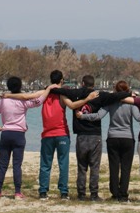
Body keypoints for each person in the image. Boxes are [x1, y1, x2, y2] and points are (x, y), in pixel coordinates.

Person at [76, 80, 140, 202]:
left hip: (112, 137)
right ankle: (123, 194)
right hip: (128, 138)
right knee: (126, 168)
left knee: (114, 167)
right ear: (127, 90)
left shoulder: (110, 103)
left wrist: (82, 115)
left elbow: (97, 116)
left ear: (115, 91)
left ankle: (115, 193)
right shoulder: (131, 105)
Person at [50, 74, 130, 201]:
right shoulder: (100, 95)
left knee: (82, 167)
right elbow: (116, 96)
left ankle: (81, 194)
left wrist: (49, 87)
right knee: (95, 167)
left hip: (81, 136)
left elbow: (60, 90)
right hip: (95, 135)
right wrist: (129, 94)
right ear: (93, 85)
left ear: (82, 83)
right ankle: (94, 194)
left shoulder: (76, 93)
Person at [0, 77, 58, 199]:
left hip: (6, 133)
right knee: (17, 165)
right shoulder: (23, 101)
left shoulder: (3, 101)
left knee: (2, 164)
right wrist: (48, 89)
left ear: (8, 87)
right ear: (20, 87)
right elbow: (39, 101)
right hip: (19, 135)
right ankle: (17, 192)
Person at [36, 70, 97, 200]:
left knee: (45, 164)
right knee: (63, 163)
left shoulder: (44, 93)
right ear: (61, 80)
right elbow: (73, 105)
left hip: (47, 134)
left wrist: (9, 95)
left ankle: (43, 191)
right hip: (62, 133)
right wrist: (87, 99)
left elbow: (26, 97)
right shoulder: (62, 95)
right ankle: (63, 192)